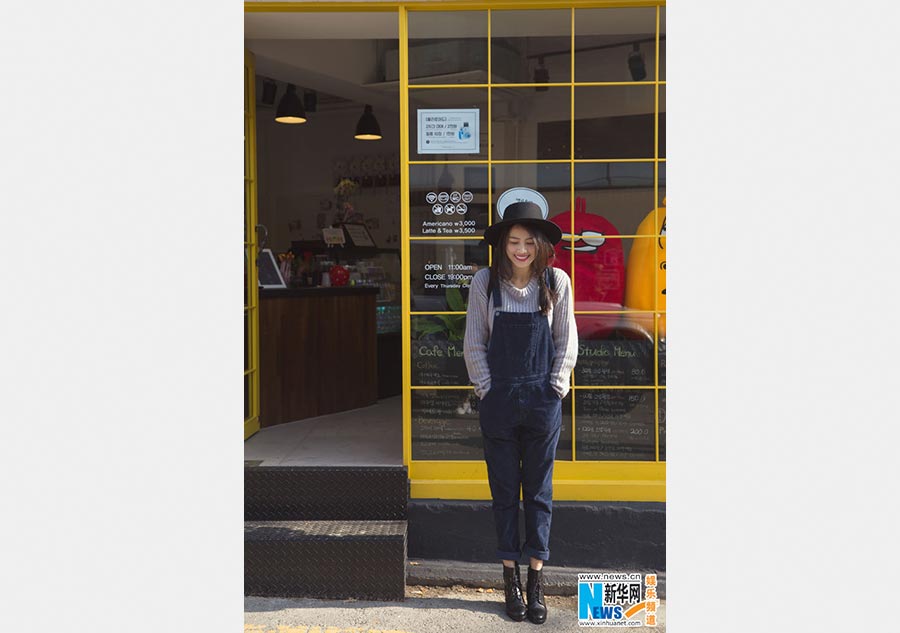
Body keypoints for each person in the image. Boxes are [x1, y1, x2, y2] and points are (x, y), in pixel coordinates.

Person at [463, 198, 578, 624]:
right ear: (503, 245)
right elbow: (474, 342)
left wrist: (555, 387)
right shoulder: (485, 283)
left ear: (541, 245)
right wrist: (487, 389)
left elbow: (566, 340)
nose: (522, 249)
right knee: (504, 492)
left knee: (539, 493)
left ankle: (536, 580)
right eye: (514, 241)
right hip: (499, 402)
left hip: (541, 401)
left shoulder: (557, 281)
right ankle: (509, 578)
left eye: (529, 242)